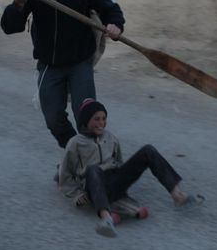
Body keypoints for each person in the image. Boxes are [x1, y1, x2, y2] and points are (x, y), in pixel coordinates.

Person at [2, 0, 125, 150]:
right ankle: (77, 156)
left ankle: (90, 164)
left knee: (86, 118)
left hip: (80, 62)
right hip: (49, 64)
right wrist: (19, 3)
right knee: (53, 119)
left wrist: (115, 25)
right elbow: (9, 26)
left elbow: (110, 9)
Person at [58, 99, 204, 238]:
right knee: (93, 169)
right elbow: (64, 175)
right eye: (96, 119)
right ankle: (106, 218)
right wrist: (76, 194)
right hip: (93, 183)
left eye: (104, 118)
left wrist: (122, 177)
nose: (101, 123)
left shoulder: (111, 138)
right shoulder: (75, 143)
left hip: (114, 180)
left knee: (148, 150)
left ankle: (178, 195)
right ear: (85, 120)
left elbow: (119, 161)